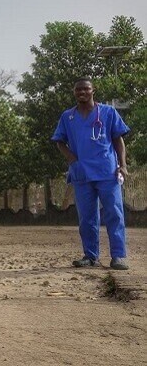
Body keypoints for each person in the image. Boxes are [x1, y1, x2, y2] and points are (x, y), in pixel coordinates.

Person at [51, 78, 131, 270]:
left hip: (107, 171)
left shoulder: (108, 112)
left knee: (114, 213)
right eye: (78, 90)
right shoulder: (67, 116)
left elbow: (118, 139)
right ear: (74, 92)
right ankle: (90, 256)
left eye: (86, 89)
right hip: (81, 173)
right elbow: (59, 141)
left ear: (93, 90)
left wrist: (123, 165)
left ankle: (118, 256)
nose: (82, 92)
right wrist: (72, 160)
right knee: (87, 217)